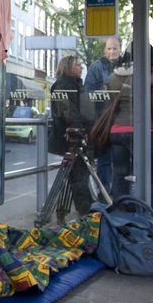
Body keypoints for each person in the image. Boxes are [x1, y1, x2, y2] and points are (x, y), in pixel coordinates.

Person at [106, 46, 153, 240]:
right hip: (145, 132)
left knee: (120, 178)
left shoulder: (114, 76)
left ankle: (122, 226)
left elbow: (111, 103)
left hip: (117, 132)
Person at [49, 55, 95, 218]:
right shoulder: (63, 86)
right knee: (79, 175)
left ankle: (84, 210)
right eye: (78, 65)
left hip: (78, 136)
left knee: (78, 174)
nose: (81, 68)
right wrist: (85, 128)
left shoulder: (74, 85)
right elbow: (68, 113)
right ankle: (86, 211)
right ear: (68, 67)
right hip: (72, 138)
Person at [85, 36, 121, 188]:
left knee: (121, 162)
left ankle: (120, 197)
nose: (112, 52)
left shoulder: (127, 66)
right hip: (103, 121)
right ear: (104, 50)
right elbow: (88, 93)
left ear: (120, 48)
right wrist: (103, 90)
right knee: (104, 161)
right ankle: (105, 197)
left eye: (115, 48)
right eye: (109, 48)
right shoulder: (96, 67)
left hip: (121, 119)